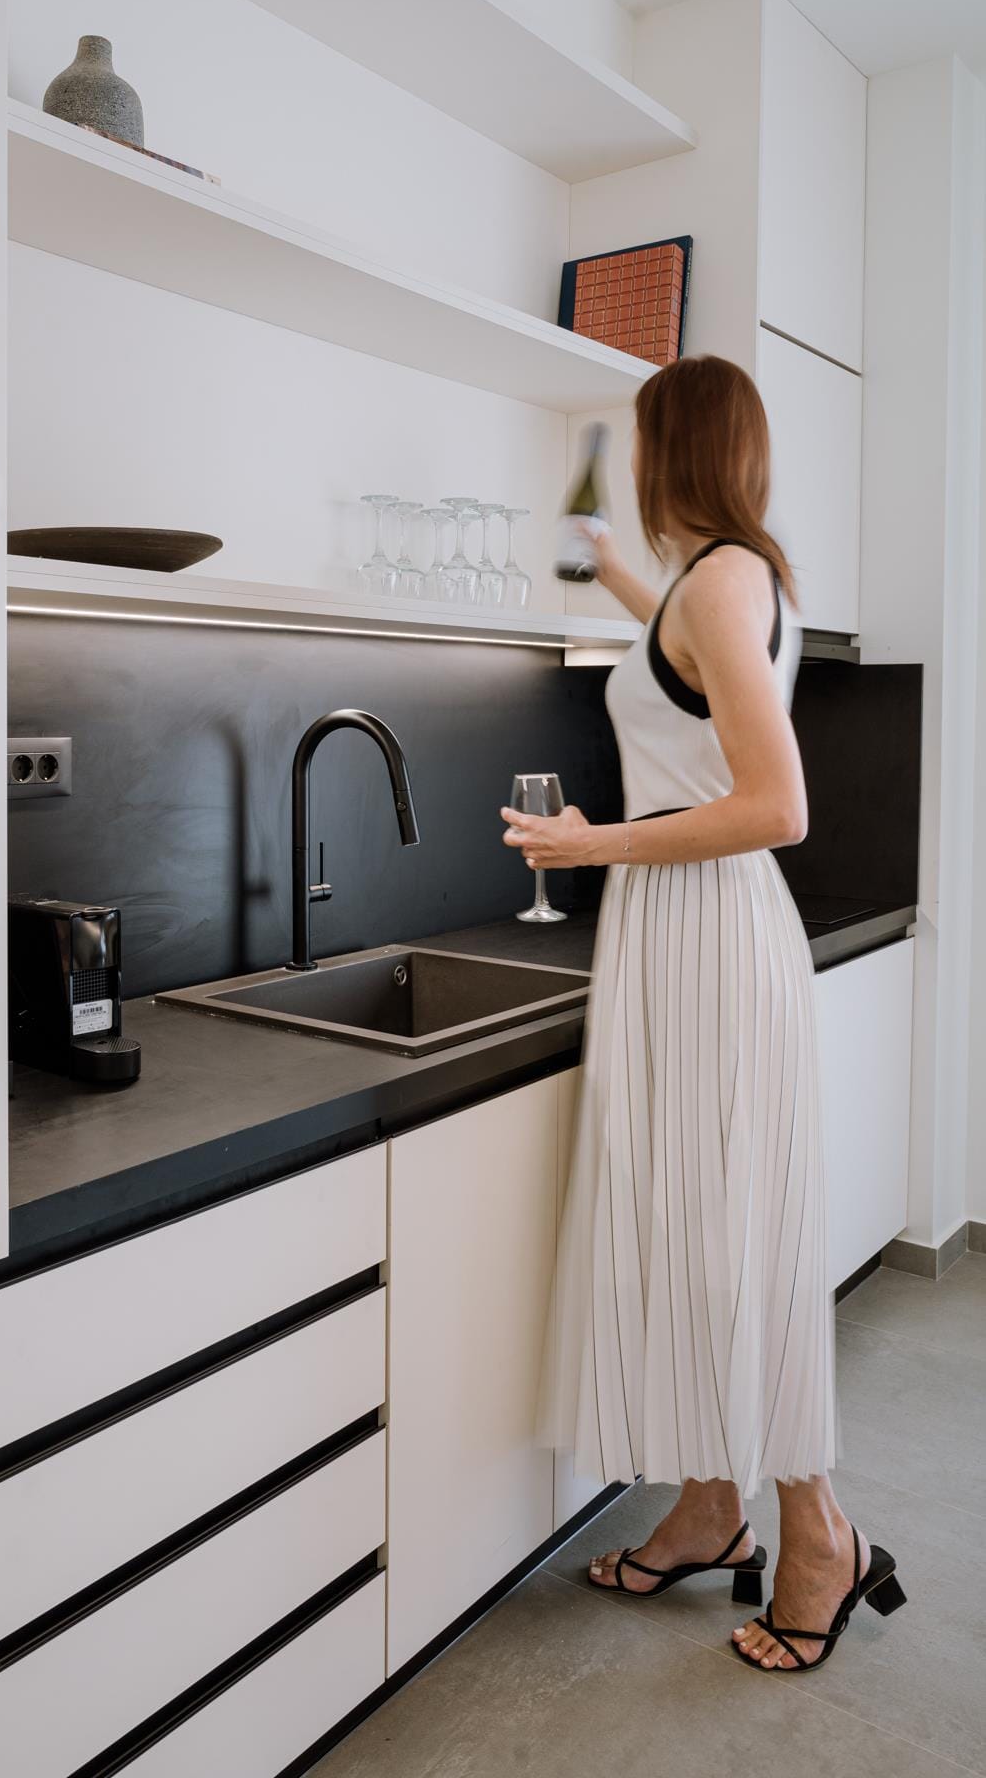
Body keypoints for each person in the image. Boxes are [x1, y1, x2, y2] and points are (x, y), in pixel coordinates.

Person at [501, 355, 906, 1673]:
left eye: (640, 443)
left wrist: (591, 844)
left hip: (706, 936)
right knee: (688, 1228)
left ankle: (820, 1537)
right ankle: (709, 1507)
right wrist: (601, 557)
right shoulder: (722, 581)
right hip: (676, 936)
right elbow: (670, 656)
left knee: (738, 1239)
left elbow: (777, 808)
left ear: (671, 451)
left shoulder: (726, 583)